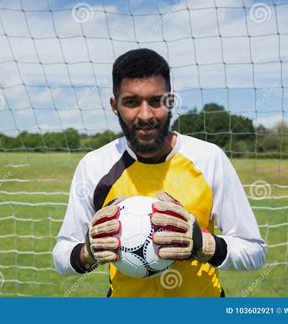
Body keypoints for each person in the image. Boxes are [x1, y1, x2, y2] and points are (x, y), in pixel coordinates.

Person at [53, 48, 266, 297]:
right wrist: (86, 253)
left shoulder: (209, 159)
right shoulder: (94, 166)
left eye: (156, 101)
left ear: (171, 101)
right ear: (114, 105)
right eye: (131, 102)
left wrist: (205, 245)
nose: (145, 115)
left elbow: (255, 251)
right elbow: (62, 254)